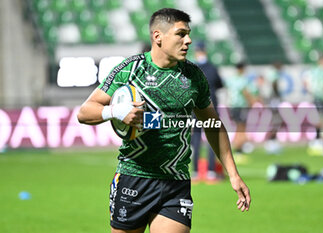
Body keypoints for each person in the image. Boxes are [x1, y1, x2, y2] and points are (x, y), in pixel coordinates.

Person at [77, 8, 250, 233]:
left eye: (188, 34)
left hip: (175, 183)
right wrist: (116, 112)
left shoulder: (194, 76)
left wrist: (234, 175)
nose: (188, 40)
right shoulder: (130, 69)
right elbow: (84, 112)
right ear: (158, 36)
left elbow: (213, 125)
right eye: (180, 34)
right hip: (134, 178)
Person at [191, 41, 224, 182]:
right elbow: (220, 84)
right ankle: (211, 171)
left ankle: (195, 172)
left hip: (196, 107)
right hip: (211, 107)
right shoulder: (212, 68)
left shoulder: (191, 68)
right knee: (212, 139)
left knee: (196, 139)